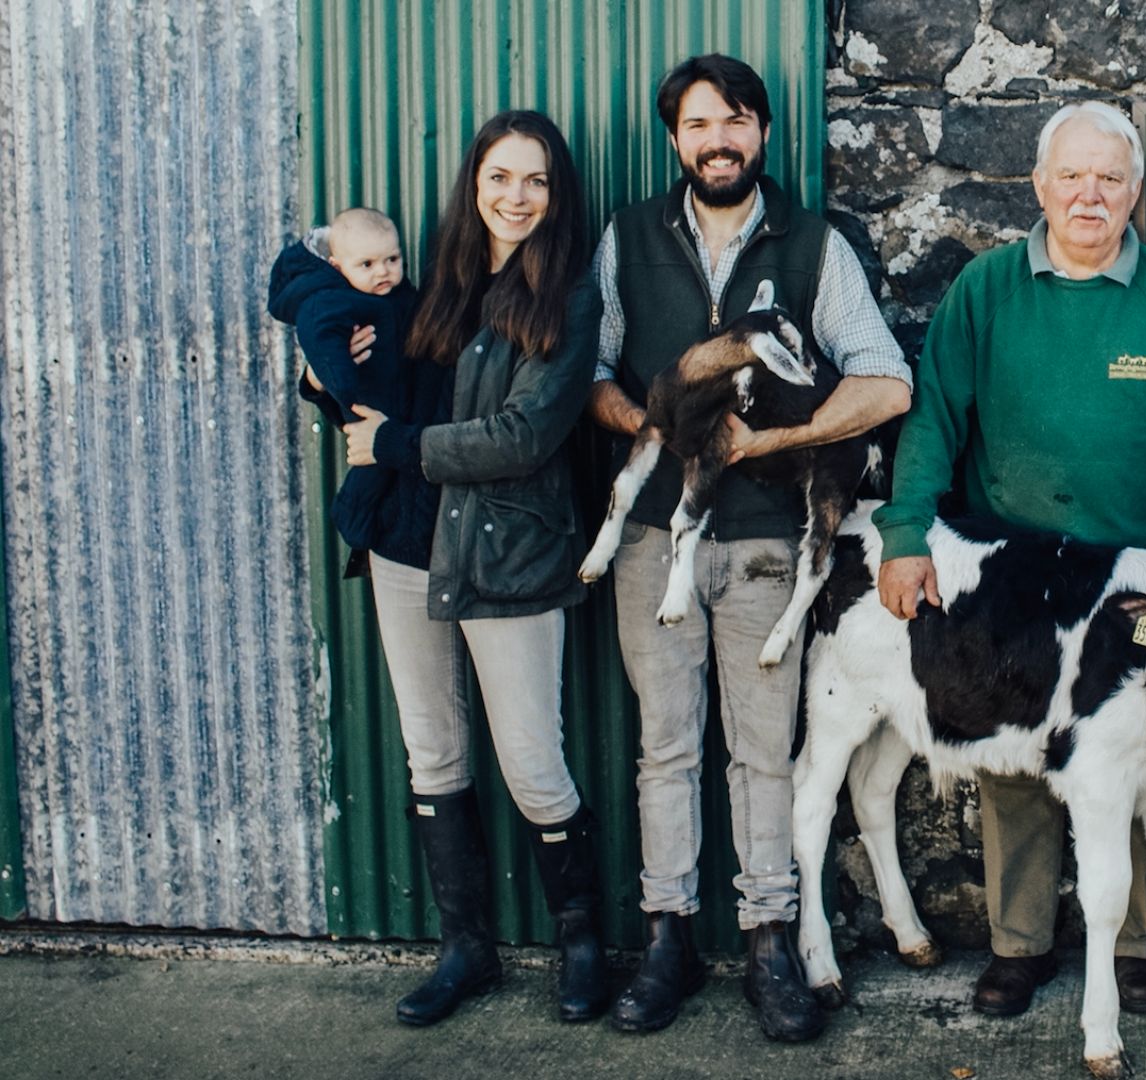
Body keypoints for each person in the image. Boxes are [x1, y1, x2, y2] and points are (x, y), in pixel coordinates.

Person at [872, 101, 1146, 1020]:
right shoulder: (987, 289)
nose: (1090, 194)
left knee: (1134, 752)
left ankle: (1136, 949)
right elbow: (935, 415)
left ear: (1136, 193)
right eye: (1072, 176)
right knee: (1015, 760)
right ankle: (1020, 946)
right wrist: (904, 535)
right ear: (1041, 185)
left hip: (1138, 580)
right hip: (1015, 576)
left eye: (1110, 179)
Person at [587, 54, 911, 1043]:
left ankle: (770, 942)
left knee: (765, 752)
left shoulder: (813, 244)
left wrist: (775, 440)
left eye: (733, 121)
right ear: (675, 139)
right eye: (696, 124)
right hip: (656, 547)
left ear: (762, 132)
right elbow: (593, 370)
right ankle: (667, 938)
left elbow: (886, 385)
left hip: (771, 544)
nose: (716, 139)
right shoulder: (629, 238)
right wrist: (646, 425)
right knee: (666, 747)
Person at [336, 109, 609, 1027]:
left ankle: (581, 943)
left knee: (534, 761)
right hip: (409, 546)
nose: (516, 197)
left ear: (556, 192)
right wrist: (329, 374)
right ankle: (467, 950)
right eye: (500, 177)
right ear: (474, 184)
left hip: (511, 552)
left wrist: (397, 442)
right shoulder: (432, 285)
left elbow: (526, 434)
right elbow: (359, 377)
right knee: (433, 750)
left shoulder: (569, 297)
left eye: (535, 180)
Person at [268, 207, 418, 554]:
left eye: (392, 259)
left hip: (400, 404)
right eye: (367, 265)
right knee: (372, 472)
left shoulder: (399, 295)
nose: (383, 271)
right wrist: (338, 383)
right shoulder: (330, 301)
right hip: (364, 402)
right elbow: (322, 344)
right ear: (338, 267)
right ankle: (352, 518)